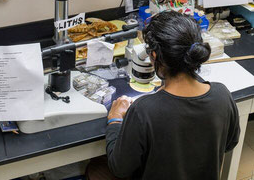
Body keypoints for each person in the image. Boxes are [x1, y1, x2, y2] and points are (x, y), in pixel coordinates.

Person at [86, 11, 240, 180]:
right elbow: (230, 143)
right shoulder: (222, 95)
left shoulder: (145, 110)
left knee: (95, 168)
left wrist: (114, 120)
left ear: (153, 57)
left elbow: (120, 168)